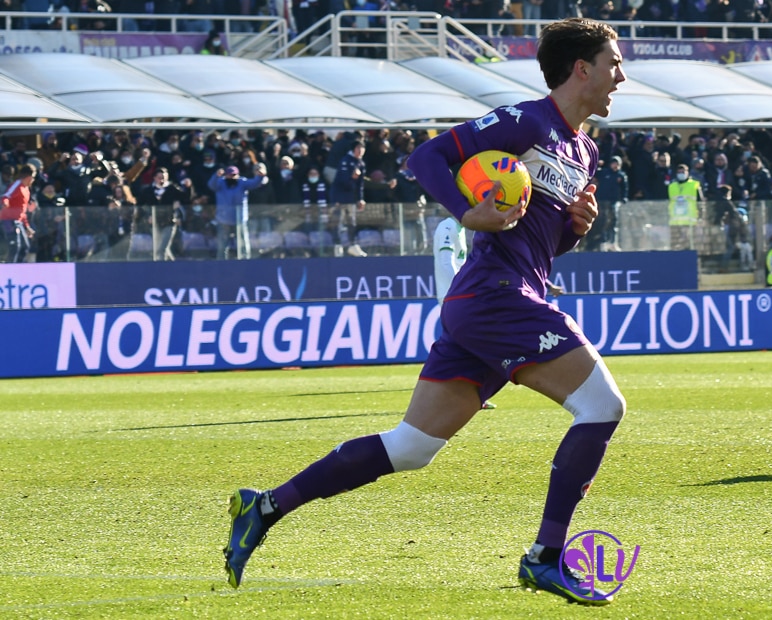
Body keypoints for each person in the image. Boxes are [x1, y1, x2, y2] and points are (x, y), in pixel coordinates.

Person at [223, 17, 628, 606]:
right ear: (581, 69)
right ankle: (544, 557)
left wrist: (573, 230)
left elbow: (536, 238)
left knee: (412, 447)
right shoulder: (526, 121)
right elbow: (428, 156)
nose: (623, 75)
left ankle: (264, 505)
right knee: (601, 405)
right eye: (614, 63)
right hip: (496, 294)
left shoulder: (585, 150)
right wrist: (467, 213)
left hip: (498, 297)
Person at [208, 164, 268, 260]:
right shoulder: (220, 183)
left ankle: (245, 260)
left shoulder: (242, 182)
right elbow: (211, 185)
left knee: (243, 242)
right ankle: (221, 261)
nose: (232, 177)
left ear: (238, 175)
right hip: (224, 219)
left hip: (239, 219)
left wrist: (260, 176)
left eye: (234, 175)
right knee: (222, 243)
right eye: (229, 175)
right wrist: (216, 176)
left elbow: (254, 183)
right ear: (226, 175)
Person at [1, 164, 36, 263]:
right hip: (8, 220)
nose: (33, 180)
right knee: (15, 246)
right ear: (29, 176)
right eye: (33, 177)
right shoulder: (17, 185)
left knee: (25, 246)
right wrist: (5, 203)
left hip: (18, 222)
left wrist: (27, 226)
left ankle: (18, 268)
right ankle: (9, 270)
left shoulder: (27, 190)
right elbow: (6, 196)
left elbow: (22, 211)